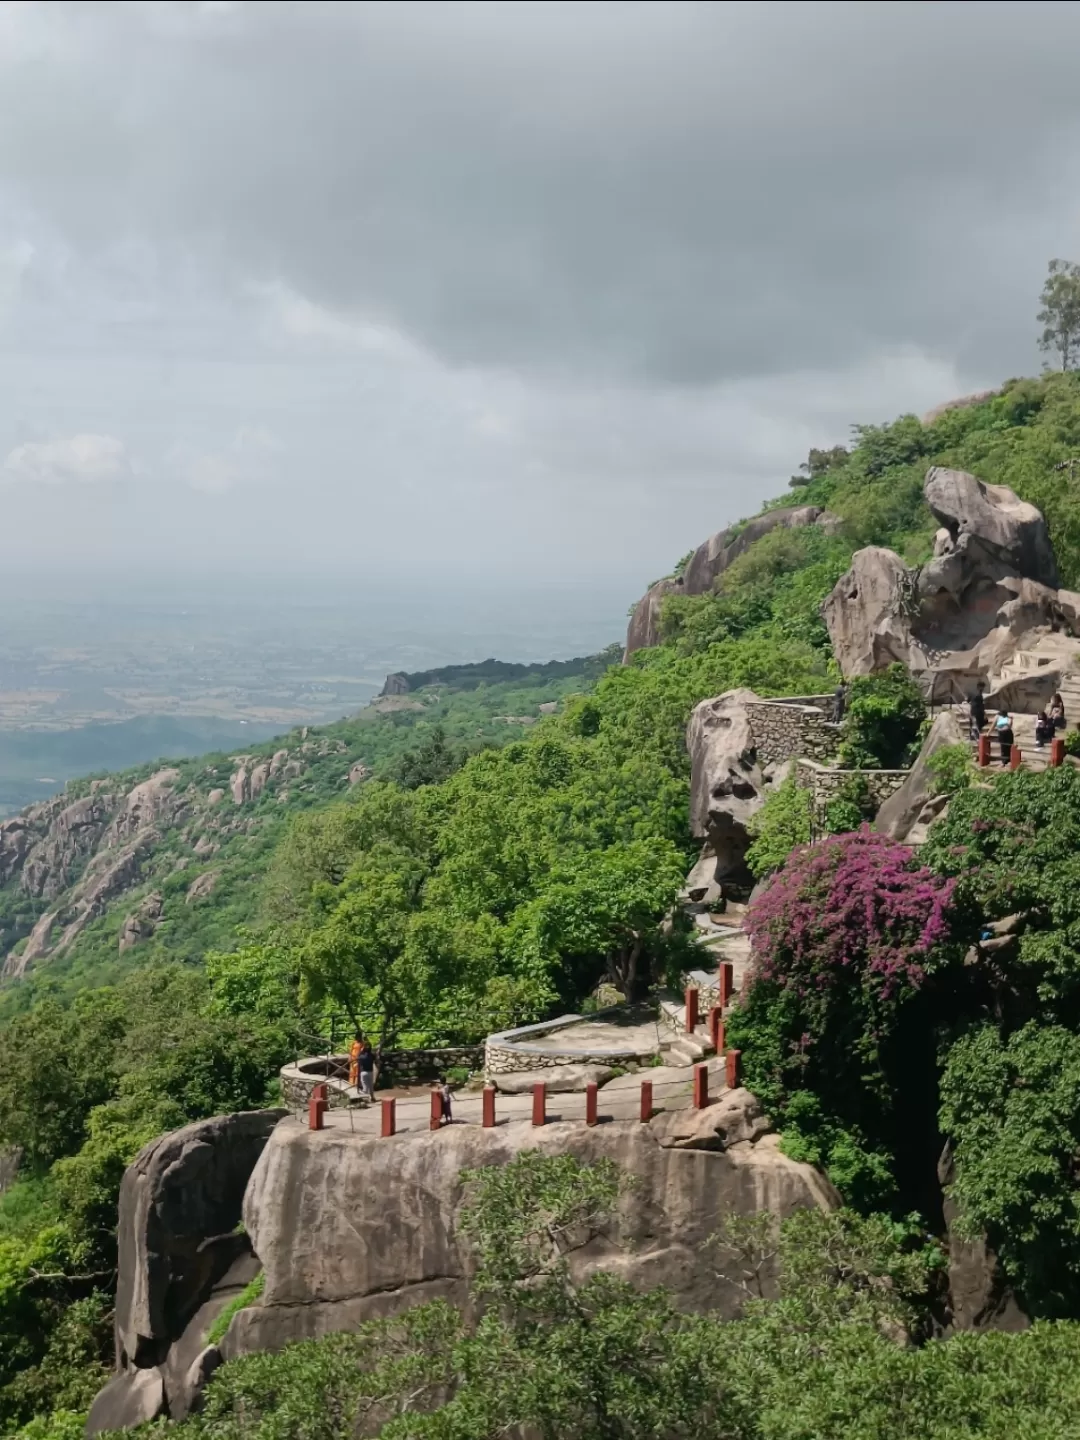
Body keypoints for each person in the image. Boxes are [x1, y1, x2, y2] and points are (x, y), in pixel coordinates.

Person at [357, 1035, 375, 1101]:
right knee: (371, 1086)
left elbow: (358, 1058)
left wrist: (361, 1050)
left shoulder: (361, 1056)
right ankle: (372, 1097)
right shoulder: (372, 1055)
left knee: (365, 1086)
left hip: (363, 1072)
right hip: (370, 1072)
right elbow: (375, 1059)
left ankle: (365, 1098)